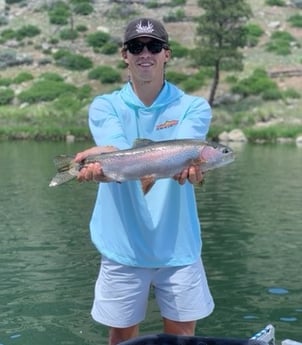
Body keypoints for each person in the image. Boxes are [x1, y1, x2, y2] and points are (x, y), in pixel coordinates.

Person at [75, 17, 214, 345]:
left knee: (183, 339)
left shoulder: (194, 107)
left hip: (179, 247)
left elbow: (182, 152)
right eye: (136, 47)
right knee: (120, 339)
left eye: (154, 46)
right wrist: (100, 162)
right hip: (121, 245)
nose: (145, 53)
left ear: (167, 54)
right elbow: (117, 149)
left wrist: (191, 169)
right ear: (125, 55)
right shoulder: (105, 106)